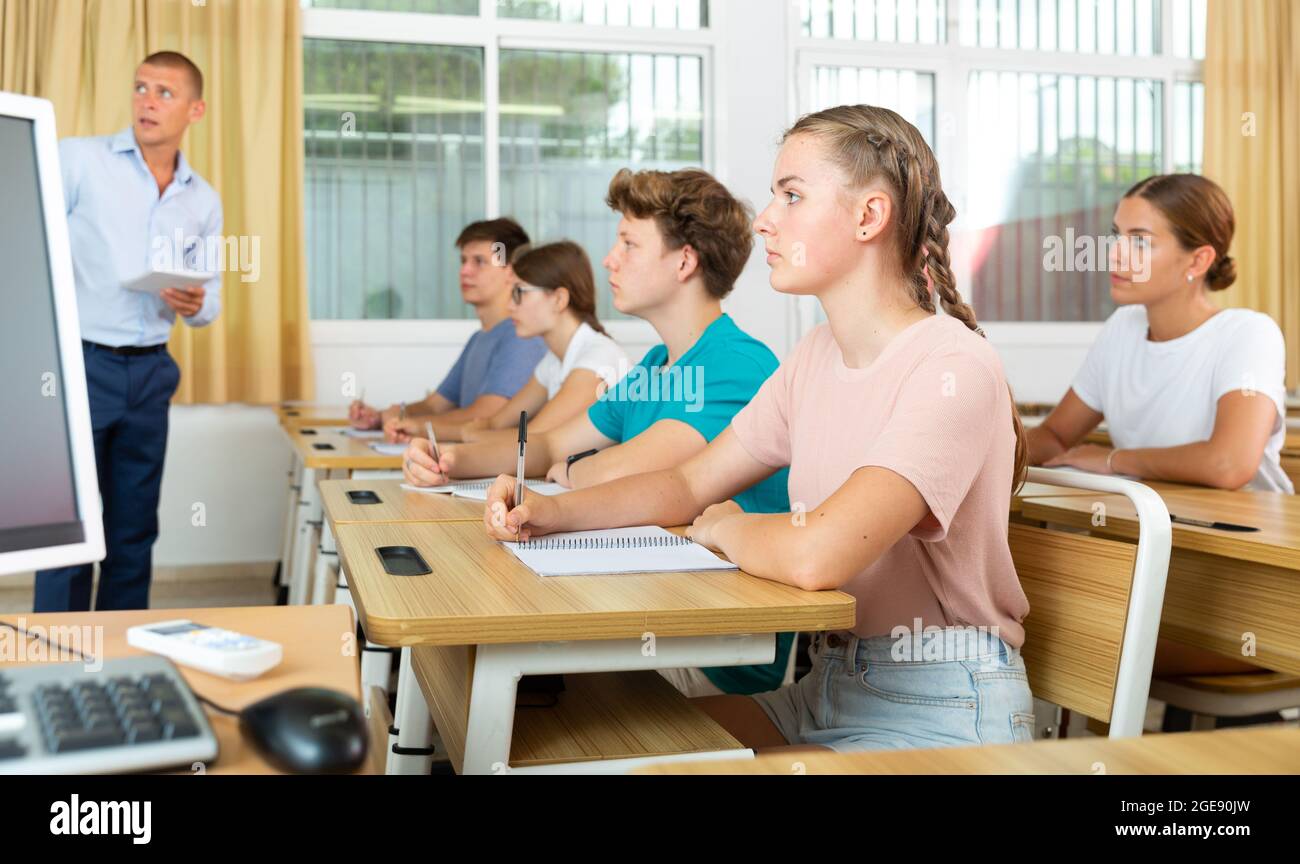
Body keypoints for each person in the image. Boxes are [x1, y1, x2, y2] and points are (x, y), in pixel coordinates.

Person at [478, 105, 1036, 753]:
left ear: (868, 216)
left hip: (942, 702)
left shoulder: (952, 364)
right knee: (618, 747)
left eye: (791, 196)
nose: (766, 219)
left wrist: (724, 527)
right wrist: (553, 512)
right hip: (828, 682)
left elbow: (816, 553)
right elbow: (691, 481)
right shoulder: (814, 357)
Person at [35, 51, 222, 612]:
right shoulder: (79, 160)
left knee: (134, 530)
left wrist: (195, 301)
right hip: (79, 365)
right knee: (69, 531)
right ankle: (59, 660)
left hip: (150, 371)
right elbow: (28, 234)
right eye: (141, 87)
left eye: (165, 92)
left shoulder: (202, 199)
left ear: (196, 109)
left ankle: (116, 658)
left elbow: (209, 302)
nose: (147, 101)